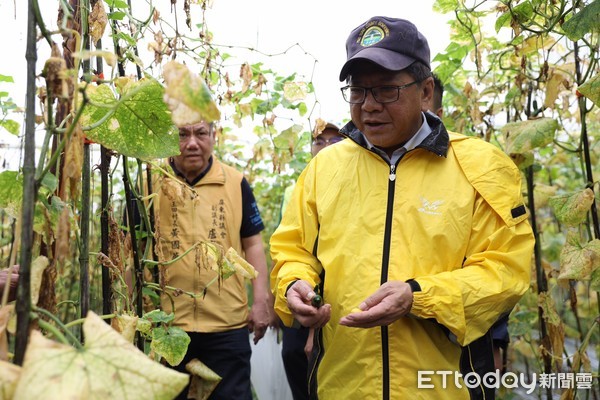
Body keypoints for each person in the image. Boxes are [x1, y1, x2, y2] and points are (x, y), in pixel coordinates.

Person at [270, 16, 534, 399]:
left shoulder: (482, 166)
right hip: (343, 385)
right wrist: (295, 284)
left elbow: (505, 271)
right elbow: (293, 250)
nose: (369, 106)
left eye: (386, 91)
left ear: (426, 91)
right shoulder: (324, 167)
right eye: (358, 91)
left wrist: (419, 295)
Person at [151, 121, 272, 400]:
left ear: (213, 136)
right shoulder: (152, 182)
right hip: (168, 324)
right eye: (182, 134)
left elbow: (253, 243)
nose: (192, 143)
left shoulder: (235, 182)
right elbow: (131, 246)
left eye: (200, 133)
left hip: (226, 326)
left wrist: (260, 302)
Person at [425, 73, 511, 372]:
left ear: (438, 114)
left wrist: (497, 341)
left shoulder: (475, 167)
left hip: (466, 341)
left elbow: (499, 263)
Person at [280, 121, 344, 400]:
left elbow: (331, 259)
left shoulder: (350, 186)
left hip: (329, 302)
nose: (326, 147)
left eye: (334, 141)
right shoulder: (298, 188)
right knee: (293, 357)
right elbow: (291, 247)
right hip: (301, 291)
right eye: (320, 141)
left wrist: (313, 332)